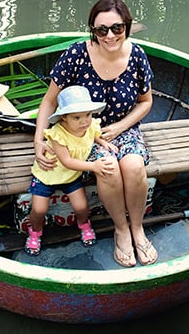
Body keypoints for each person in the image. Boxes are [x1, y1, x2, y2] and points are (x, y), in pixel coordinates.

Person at [34, 0, 157, 267]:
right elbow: (49, 101)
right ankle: (121, 229)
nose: (110, 36)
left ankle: (137, 228)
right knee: (108, 167)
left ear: (126, 26)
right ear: (93, 29)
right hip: (83, 132)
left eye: (117, 28)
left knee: (134, 166)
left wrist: (121, 127)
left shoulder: (137, 56)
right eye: (102, 30)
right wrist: (38, 140)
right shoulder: (77, 54)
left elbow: (146, 102)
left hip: (124, 128)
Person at [25, 85, 118, 256]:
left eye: (88, 115)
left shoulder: (88, 126)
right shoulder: (58, 134)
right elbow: (67, 161)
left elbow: (93, 134)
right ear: (64, 118)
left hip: (71, 176)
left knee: (82, 207)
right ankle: (35, 232)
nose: (84, 121)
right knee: (39, 210)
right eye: (77, 117)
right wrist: (94, 166)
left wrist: (102, 142)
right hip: (48, 174)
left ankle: (84, 224)